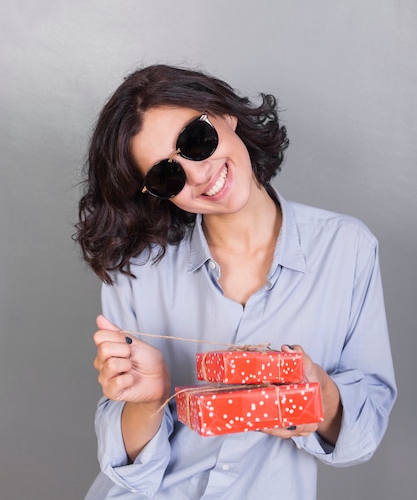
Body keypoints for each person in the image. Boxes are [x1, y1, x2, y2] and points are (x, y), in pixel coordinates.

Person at [76, 64, 396, 500]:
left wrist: (321, 396)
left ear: (225, 115)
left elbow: (369, 420)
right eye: (166, 175)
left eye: (195, 141)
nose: (198, 175)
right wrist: (147, 402)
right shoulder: (136, 268)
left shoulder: (348, 248)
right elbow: (125, 464)